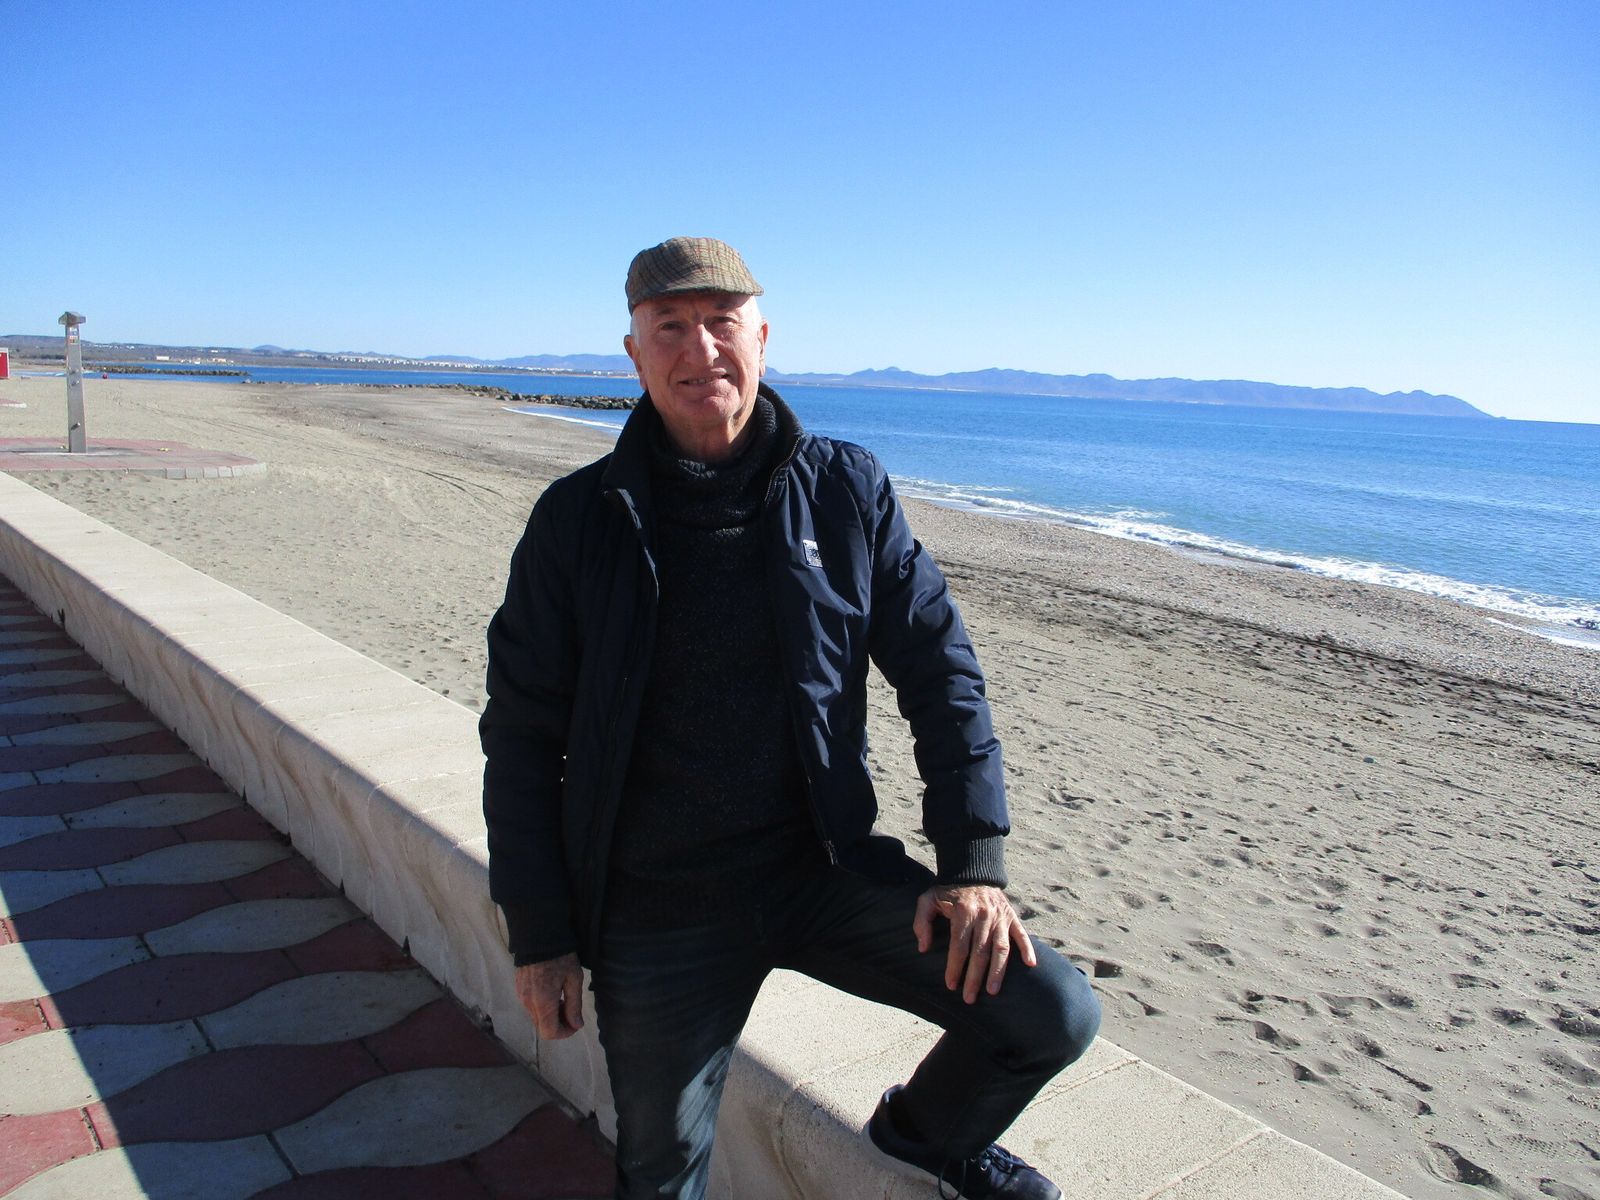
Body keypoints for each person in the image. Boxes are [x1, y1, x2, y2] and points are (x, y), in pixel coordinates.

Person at [481, 237, 1101, 1200]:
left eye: (722, 322)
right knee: (659, 1173)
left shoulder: (845, 491)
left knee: (1051, 1012)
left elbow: (942, 675)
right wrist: (541, 934)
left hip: (825, 871)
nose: (701, 350)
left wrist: (972, 865)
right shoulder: (576, 521)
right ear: (635, 355)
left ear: (763, 340)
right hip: (658, 904)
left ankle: (926, 1136)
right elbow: (522, 737)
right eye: (670, 328)